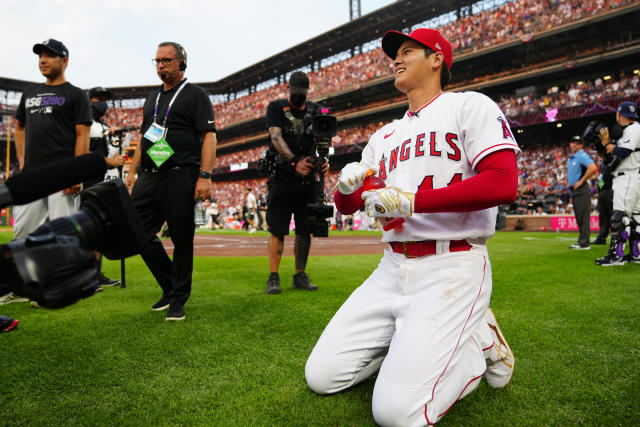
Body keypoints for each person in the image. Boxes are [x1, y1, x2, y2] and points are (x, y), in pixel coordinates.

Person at [305, 28, 519, 425]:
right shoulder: (384, 135)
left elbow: (503, 181)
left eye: (407, 51)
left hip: (452, 264)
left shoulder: (470, 106)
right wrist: (347, 187)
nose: (396, 59)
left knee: (395, 414)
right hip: (392, 267)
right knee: (322, 377)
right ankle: (422, 346)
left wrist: (413, 202)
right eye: (395, 54)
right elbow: (350, 205)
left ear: (437, 58)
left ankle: (477, 343)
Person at [125, 42, 217, 321]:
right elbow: (146, 137)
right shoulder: (152, 99)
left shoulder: (195, 95)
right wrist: (132, 170)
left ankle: (178, 298)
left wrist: (205, 175)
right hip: (150, 176)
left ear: (182, 63)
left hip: (181, 174)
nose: (161, 65)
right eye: (157, 60)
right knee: (136, 231)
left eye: (166, 60)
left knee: (181, 238)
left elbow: (209, 136)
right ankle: (169, 284)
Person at [13, 38, 91, 240]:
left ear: (64, 61)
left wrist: (77, 172)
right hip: (32, 174)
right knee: (22, 232)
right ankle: (26, 271)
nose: (42, 60)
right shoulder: (29, 92)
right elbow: (19, 126)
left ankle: (68, 272)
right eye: (40, 56)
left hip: (63, 174)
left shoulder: (76, 94)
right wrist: (21, 157)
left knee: (65, 234)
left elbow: (83, 135)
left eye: (49, 56)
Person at [264, 71, 328, 294]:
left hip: (308, 181)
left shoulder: (317, 110)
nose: (299, 97)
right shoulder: (276, 107)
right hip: (282, 177)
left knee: (304, 230)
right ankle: (273, 276)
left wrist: (324, 161)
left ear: (307, 91)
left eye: (302, 93)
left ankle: (299, 275)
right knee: (277, 230)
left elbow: (323, 141)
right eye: (296, 92)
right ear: (289, 89)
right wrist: (294, 162)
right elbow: (275, 137)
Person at [86, 86, 127, 287]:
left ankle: (94, 273)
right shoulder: (84, 123)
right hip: (85, 182)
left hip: (98, 181)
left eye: (104, 98)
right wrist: (110, 162)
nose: (102, 102)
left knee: (98, 228)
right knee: (87, 228)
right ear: (89, 100)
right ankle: (84, 274)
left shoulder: (100, 125)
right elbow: (84, 153)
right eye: (98, 98)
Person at [595, 101, 640, 266]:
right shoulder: (631, 129)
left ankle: (615, 255)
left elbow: (623, 151)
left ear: (619, 114)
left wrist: (607, 143)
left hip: (628, 176)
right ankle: (636, 254)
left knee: (619, 218)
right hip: (632, 176)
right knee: (635, 218)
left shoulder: (634, 128)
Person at [567, 135, 597, 250]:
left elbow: (593, 168)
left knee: (583, 217)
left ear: (580, 145)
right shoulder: (573, 157)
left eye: (577, 143)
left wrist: (580, 181)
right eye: (572, 142)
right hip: (575, 190)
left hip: (582, 189)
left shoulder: (581, 155)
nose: (574, 144)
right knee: (579, 216)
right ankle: (582, 241)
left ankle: (584, 243)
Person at [592, 146, 614, 245]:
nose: (600, 154)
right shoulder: (602, 164)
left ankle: (615, 236)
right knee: (603, 215)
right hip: (602, 191)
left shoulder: (612, 159)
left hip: (611, 189)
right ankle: (602, 237)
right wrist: (599, 188)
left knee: (612, 214)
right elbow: (600, 177)